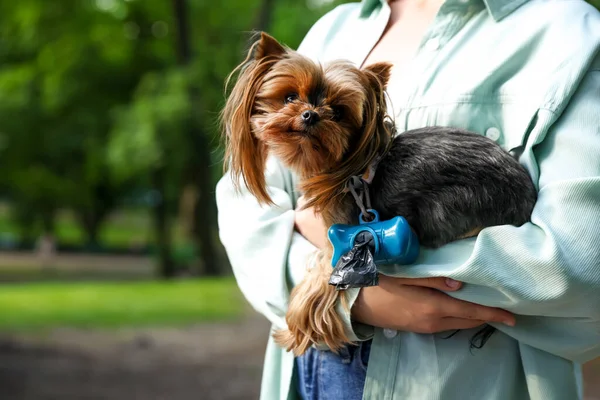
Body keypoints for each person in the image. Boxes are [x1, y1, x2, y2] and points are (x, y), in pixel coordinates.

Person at [216, 0, 600, 399]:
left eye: (338, 111)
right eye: (291, 100)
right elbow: (246, 211)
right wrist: (355, 294)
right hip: (313, 369)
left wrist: (346, 271)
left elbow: (584, 263)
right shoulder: (332, 28)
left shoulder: (567, 31)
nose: (309, 114)